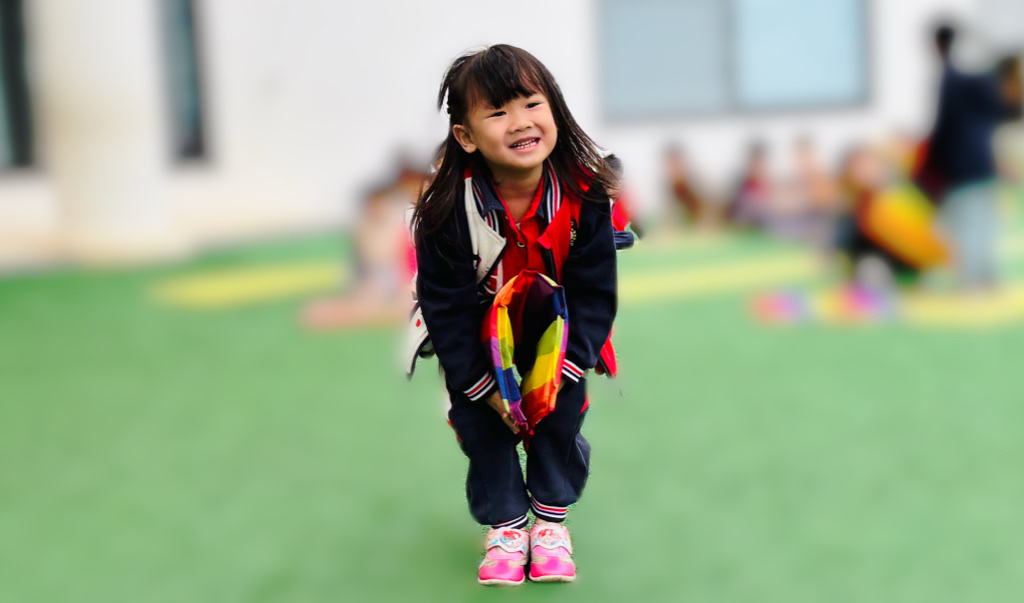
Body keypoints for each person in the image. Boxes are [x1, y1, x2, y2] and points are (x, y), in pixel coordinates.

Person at [410, 45, 618, 586]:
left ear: (555, 109)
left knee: (559, 416)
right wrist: (484, 386)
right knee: (481, 426)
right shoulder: (446, 210)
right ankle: (505, 527)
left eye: (531, 103)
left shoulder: (585, 194)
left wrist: (564, 368)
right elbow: (446, 306)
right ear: (466, 136)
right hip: (476, 334)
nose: (520, 122)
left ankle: (549, 524)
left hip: (559, 330)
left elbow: (595, 291)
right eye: (498, 112)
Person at [920, 23, 1022, 290]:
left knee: (970, 224)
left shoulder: (959, 80)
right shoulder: (975, 81)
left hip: (964, 166)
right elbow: (1006, 112)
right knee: (974, 223)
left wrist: (930, 164)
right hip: (972, 165)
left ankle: (976, 279)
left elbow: (945, 127)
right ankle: (980, 277)